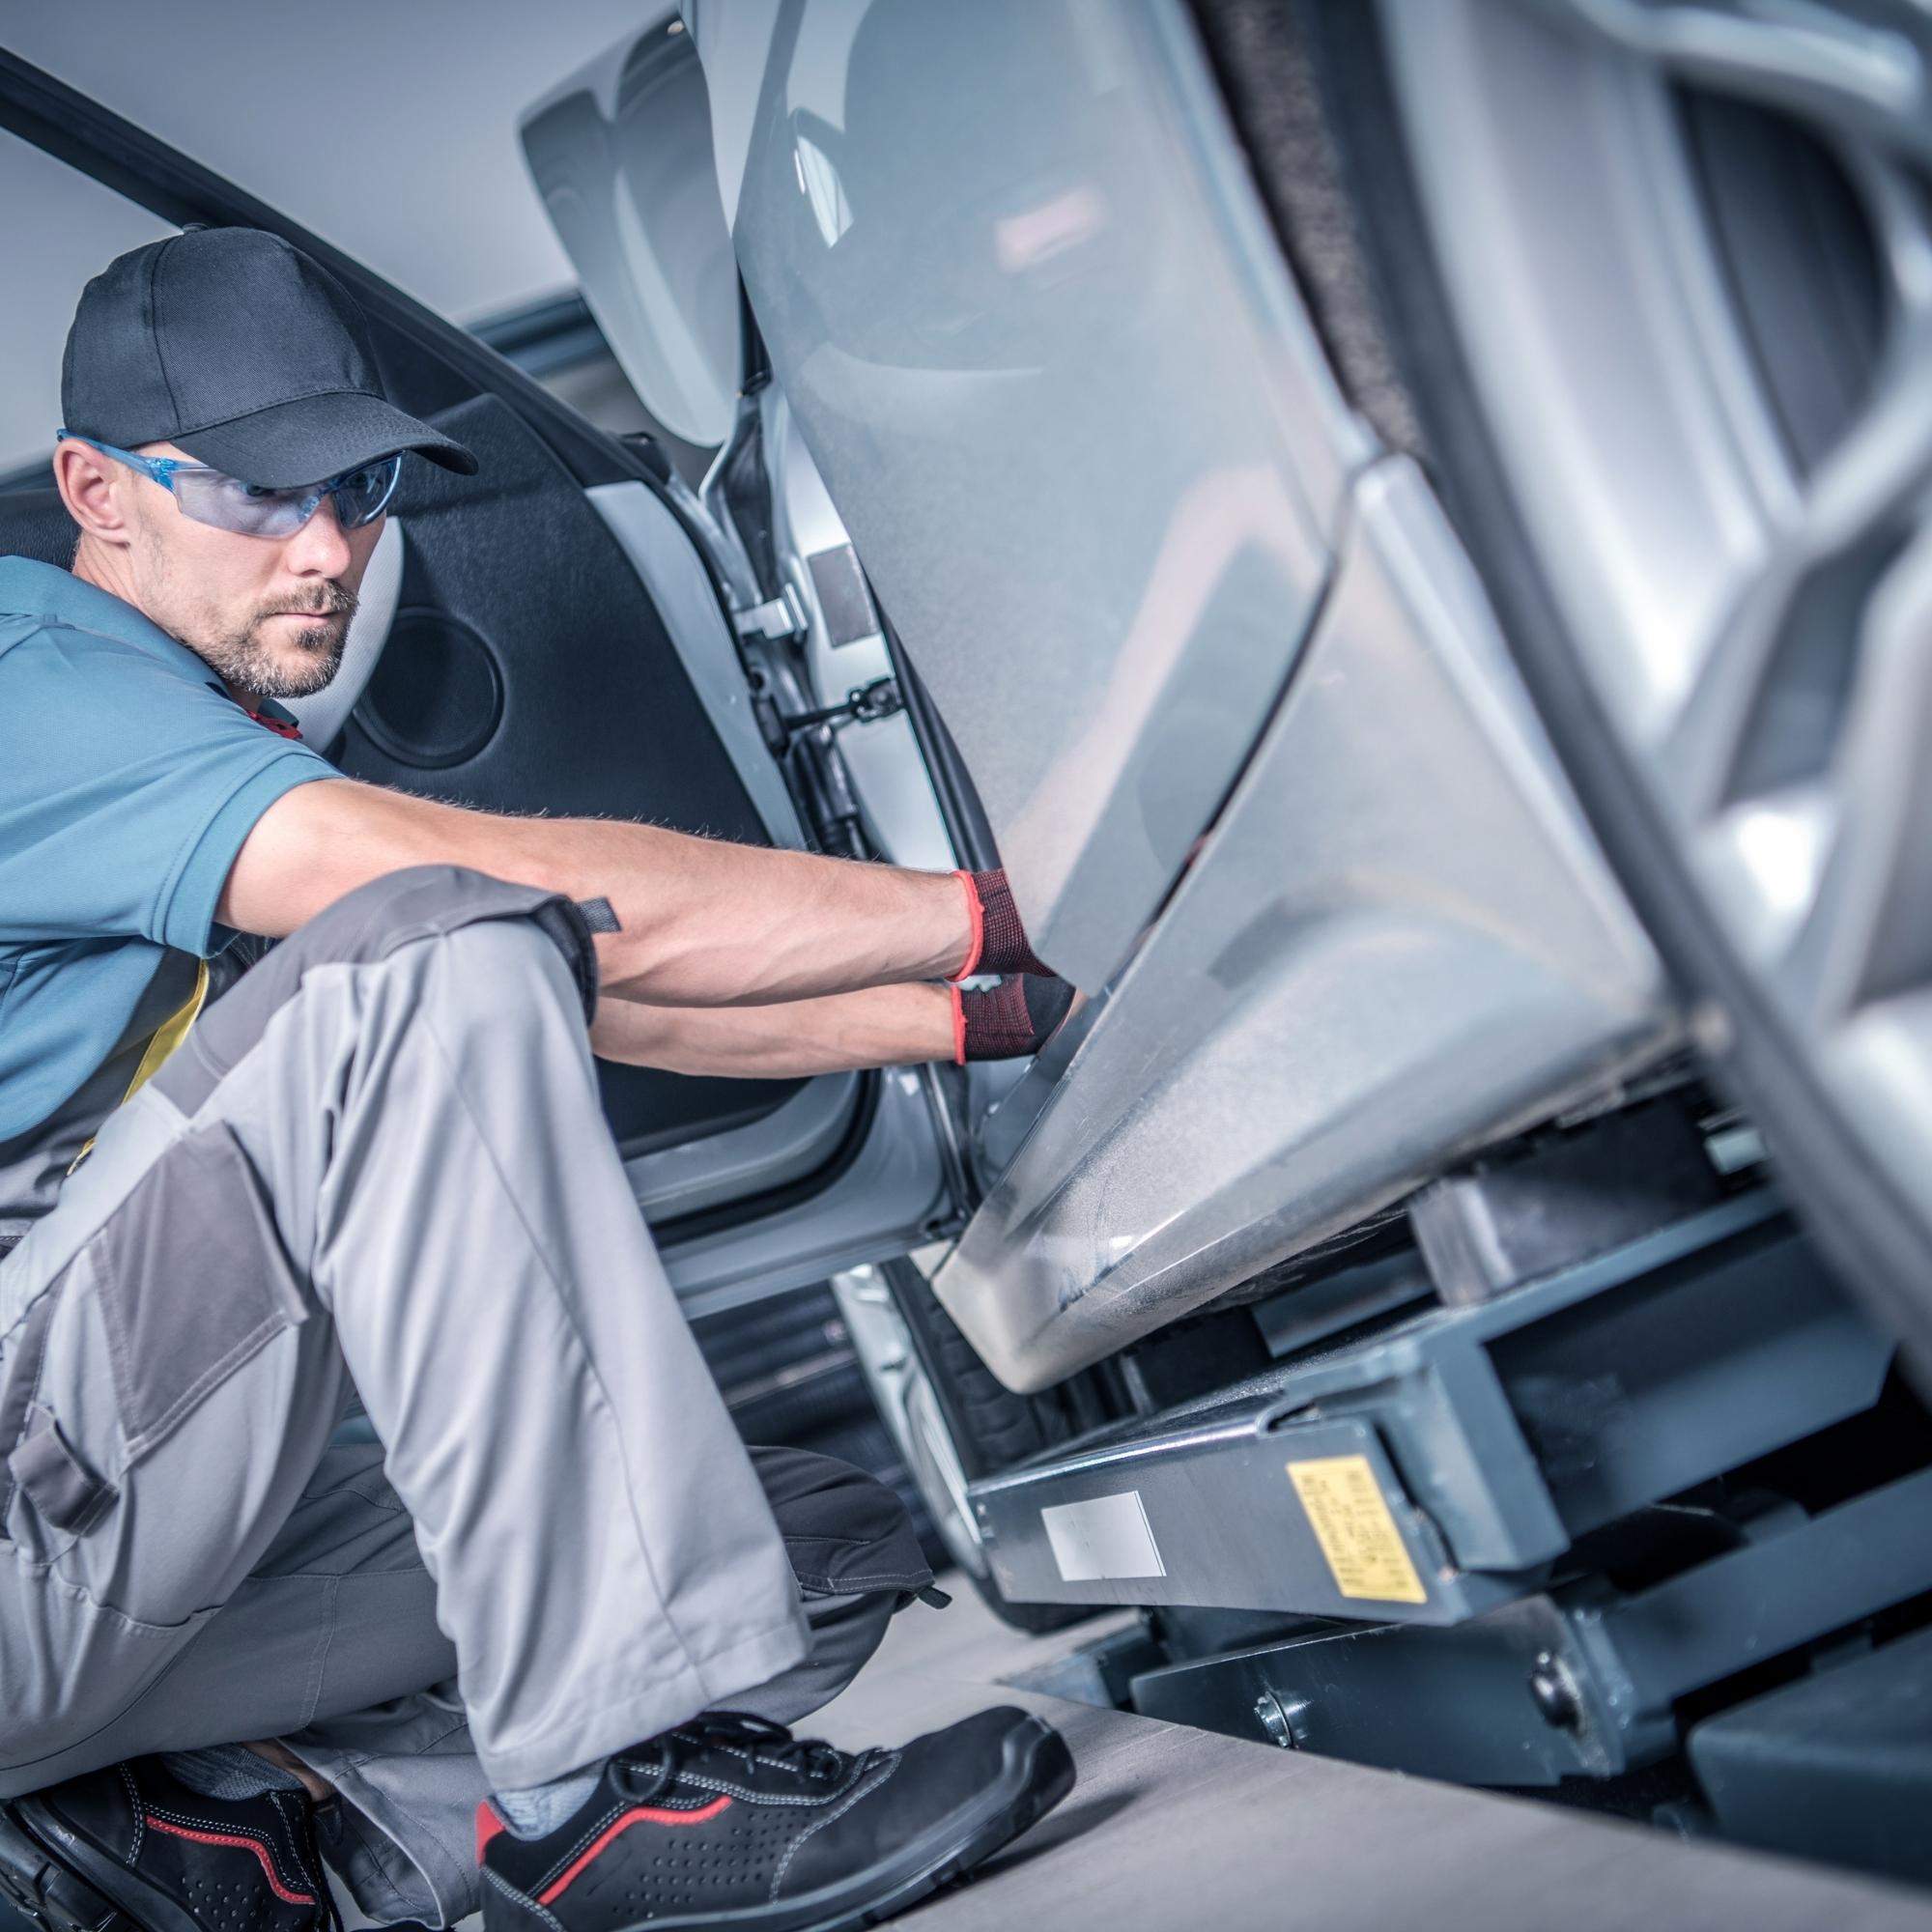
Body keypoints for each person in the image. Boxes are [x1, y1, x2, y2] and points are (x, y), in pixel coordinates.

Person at [0, 227, 1075, 1932]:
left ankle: (230, 1849)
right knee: (428, 940)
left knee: (810, 1549)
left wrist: (972, 1015)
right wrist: (1007, 906)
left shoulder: (191, 726)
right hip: (22, 1532)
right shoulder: (26, 677)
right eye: (266, 498)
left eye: (358, 492)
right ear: (95, 490)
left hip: (98, 1532)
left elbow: (585, 987)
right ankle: (596, 1799)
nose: (333, 549)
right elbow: (501, 924)